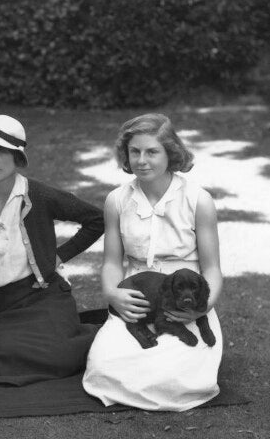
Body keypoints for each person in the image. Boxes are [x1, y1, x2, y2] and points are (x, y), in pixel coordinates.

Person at [0, 115, 104, 386]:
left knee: (63, 355)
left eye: (1, 151)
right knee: (4, 361)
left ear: (17, 156)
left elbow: (97, 220)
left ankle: (97, 335)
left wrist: (59, 256)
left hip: (44, 294)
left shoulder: (38, 195)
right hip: (0, 306)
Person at [83, 113, 223, 411]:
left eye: (152, 151)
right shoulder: (117, 200)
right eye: (135, 151)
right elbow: (111, 262)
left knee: (174, 376)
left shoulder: (198, 200)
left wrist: (201, 309)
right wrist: (113, 294)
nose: (142, 160)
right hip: (137, 298)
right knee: (103, 367)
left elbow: (212, 269)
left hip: (185, 302)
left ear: (170, 153)